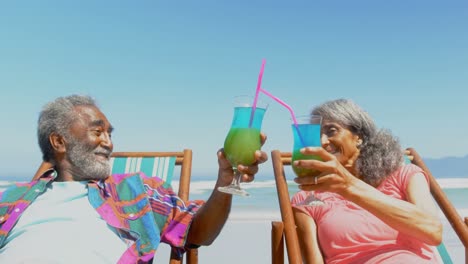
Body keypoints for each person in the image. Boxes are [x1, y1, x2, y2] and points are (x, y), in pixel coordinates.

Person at [0, 94, 268, 263]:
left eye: (110, 133)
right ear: (59, 142)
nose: (108, 143)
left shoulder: (134, 190)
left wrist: (225, 179)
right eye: (97, 132)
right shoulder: (12, 197)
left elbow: (198, 232)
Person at [291, 99, 442, 264]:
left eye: (331, 131)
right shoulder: (308, 199)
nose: (322, 141)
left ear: (359, 137)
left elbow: (432, 231)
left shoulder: (404, 175)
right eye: (316, 134)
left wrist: (349, 186)